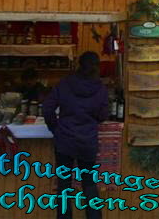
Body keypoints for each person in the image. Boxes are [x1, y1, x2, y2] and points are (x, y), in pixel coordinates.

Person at [42, 51, 109, 219]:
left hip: (64, 141)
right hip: (87, 141)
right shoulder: (100, 88)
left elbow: (47, 108)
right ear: (96, 66)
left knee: (64, 186)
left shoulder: (64, 84)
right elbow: (103, 115)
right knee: (89, 184)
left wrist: (55, 128)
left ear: (79, 65)